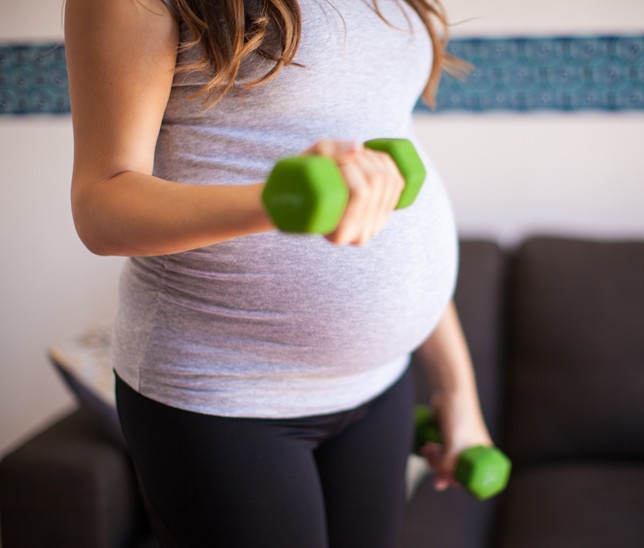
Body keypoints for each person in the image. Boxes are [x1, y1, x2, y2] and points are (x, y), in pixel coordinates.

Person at [64, 0, 494, 546]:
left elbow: (390, 196)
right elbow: (102, 206)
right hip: (221, 394)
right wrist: (278, 201)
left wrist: (457, 391)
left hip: (380, 385)